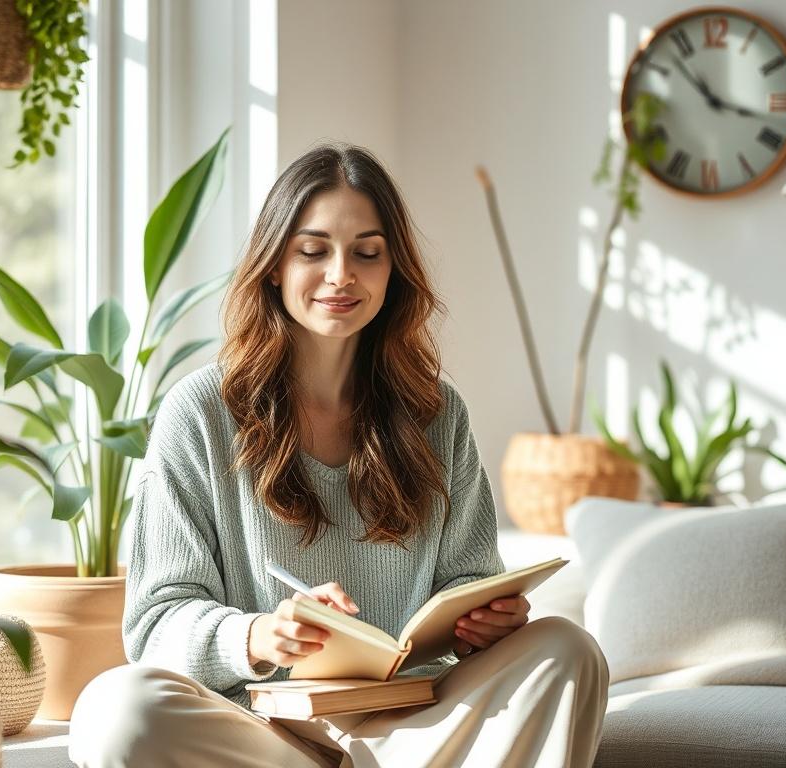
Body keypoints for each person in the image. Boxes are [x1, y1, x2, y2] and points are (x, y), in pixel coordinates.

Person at [69, 143, 608, 767]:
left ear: (392, 269)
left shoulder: (436, 411)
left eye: (367, 253)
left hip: (416, 724)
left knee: (566, 650)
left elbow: (467, 577)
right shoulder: (198, 412)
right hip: (263, 732)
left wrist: (485, 620)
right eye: (313, 250)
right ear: (274, 264)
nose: (340, 275)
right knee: (117, 708)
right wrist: (259, 634)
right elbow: (157, 624)